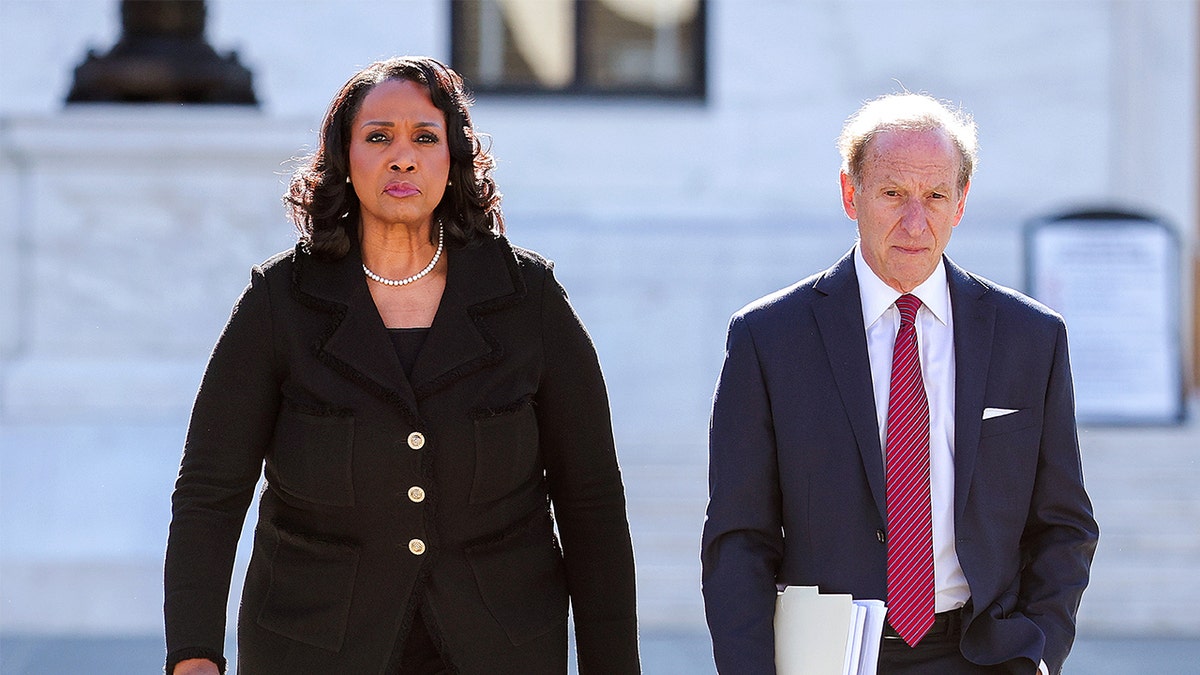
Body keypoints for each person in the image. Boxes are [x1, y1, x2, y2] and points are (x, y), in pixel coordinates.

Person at [164, 56, 640, 675]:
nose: (403, 157)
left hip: (500, 646)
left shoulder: (529, 300)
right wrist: (194, 655)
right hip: (310, 649)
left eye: (425, 137)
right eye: (379, 136)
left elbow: (592, 501)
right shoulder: (278, 303)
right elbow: (210, 492)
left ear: (454, 159)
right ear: (345, 157)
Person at [701, 93, 1098, 674]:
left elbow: (1064, 523)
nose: (916, 221)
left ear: (961, 201)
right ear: (850, 193)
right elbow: (739, 539)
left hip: (982, 653)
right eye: (892, 194)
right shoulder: (769, 338)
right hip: (826, 658)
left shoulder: (1030, 338)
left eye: (936, 196)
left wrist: (1038, 652)